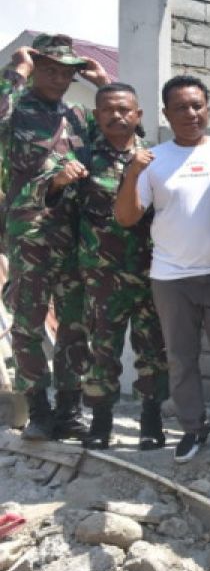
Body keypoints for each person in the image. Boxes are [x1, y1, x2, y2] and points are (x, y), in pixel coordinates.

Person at [115, 76, 210, 463]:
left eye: (198, 105)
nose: (191, 113)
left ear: (209, 108)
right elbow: (126, 217)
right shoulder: (153, 159)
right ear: (166, 114)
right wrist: (132, 173)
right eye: (181, 107)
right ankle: (192, 428)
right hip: (171, 277)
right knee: (181, 359)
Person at [44, 83, 167, 449]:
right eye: (109, 110)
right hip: (100, 276)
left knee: (152, 350)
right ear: (97, 116)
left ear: (138, 115)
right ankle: (101, 422)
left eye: (125, 110)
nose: (118, 116)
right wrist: (56, 182)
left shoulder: (155, 159)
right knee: (102, 351)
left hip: (149, 273)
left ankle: (151, 420)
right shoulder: (84, 162)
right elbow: (57, 209)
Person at [1, 34, 110, 441]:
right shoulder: (16, 110)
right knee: (28, 323)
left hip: (73, 234)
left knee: (75, 324)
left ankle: (69, 409)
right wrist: (17, 70)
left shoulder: (80, 116)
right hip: (30, 232)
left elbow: (118, 133)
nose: (59, 77)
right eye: (50, 68)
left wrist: (103, 85)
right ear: (35, 68)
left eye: (66, 72)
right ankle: (40, 411)